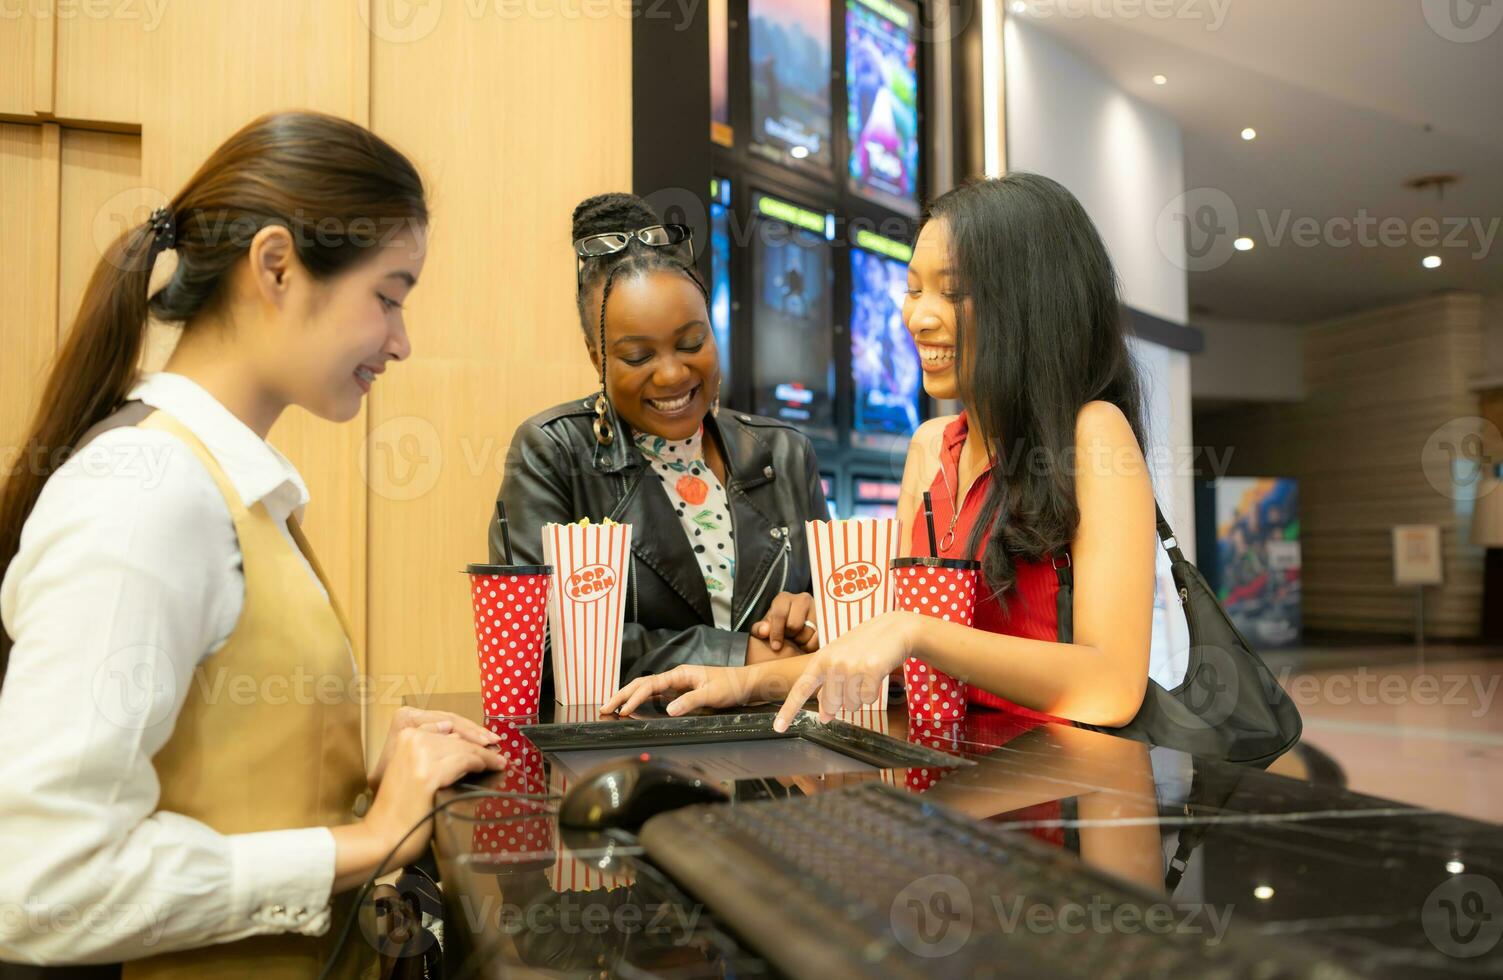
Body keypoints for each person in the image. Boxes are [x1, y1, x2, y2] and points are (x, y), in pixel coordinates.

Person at [0, 111, 506, 977]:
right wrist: (367, 838)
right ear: (275, 265)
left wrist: (365, 780)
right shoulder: (148, 496)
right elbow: (42, 885)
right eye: (387, 296)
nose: (401, 340)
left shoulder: (228, 487)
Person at [604, 174, 1159, 732]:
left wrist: (914, 631)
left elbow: (1110, 685)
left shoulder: (1093, 433)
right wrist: (738, 681)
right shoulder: (930, 446)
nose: (918, 318)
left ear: (1032, 302)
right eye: (915, 290)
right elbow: (895, 666)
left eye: (953, 292)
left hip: (1062, 792)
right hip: (953, 779)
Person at [493, 193, 829, 700]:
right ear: (596, 358)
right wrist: (738, 657)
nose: (672, 373)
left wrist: (813, 615)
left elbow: (840, 625)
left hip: (781, 759)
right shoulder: (553, 451)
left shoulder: (785, 453)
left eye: (692, 343)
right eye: (637, 355)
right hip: (632, 764)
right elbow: (537, 644)